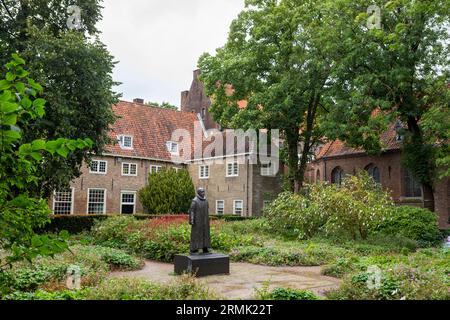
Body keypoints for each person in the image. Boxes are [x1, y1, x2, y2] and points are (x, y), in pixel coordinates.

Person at [189, 188, 211, 254]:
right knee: (196, 235)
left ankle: (205, 248)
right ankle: (193, 249)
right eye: (202, 192)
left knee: (206, 234)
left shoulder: (206, 201)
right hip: (197, 222)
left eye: (204, 192)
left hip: (205, 221)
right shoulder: (195, 201)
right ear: (198, 193)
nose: (203, 193)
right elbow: (191, 211)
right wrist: (192, 220)